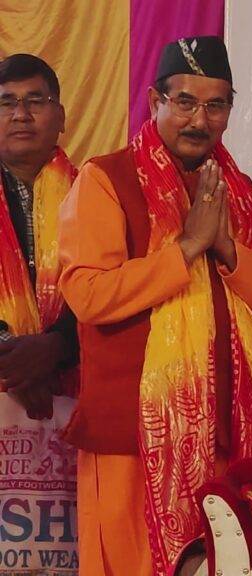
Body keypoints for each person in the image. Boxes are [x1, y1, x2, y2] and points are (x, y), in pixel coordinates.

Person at [58, 37, 252, 576]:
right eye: (185, 102)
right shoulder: (107, 180)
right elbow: (88, 294)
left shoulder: (241, 195)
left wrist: (227, 248)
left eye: (216, 105)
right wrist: (187, 247)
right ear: (155, 101)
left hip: (227, 436)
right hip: (132, 436)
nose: (200, 120)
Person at [0, 54, 78, 419]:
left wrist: (57, 347)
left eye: (35, 101)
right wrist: (15, 363)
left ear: (60, 118)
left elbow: (113, 289)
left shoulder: (97, 193)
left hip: (78, 392)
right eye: (6, 102)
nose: (21, 114)